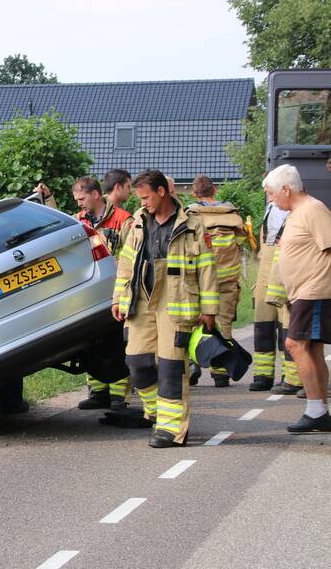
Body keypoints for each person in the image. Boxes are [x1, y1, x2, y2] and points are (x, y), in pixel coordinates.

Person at [112, 169, 218, 447]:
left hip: (176, 301)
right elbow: (126, 263)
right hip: (141, 299)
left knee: (171, 366)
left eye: (146, 197)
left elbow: (207, 269)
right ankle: (159, 413)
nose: (142, 203)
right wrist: (118, 298)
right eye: (140, 199)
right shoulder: (138, 221)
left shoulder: (193, 224)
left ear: (162, 192)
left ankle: (171, 430)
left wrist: (209, 309)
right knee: (137, 362)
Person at [262, 165, 331, 433]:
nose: (270, 199)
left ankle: (315, 411)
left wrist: (317, 283)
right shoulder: (297, 213)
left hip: (313, 291)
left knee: (295, 344)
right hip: (304, 292)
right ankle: (320, 410)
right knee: (311, 348)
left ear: (286, 189)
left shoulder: (313, 210)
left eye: (271, 193)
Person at [69, 176, 134, 410]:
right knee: (90, 343)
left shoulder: (124, 220)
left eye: (82, 198)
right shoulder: (77, 221)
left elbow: (132, 257)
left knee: (116, 343)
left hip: (116, 291)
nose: (79, 204)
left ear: (96, 194)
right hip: (89, 292)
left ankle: (118, 396)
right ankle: (97, 393)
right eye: (77, 200)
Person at [186, 175, 247, 388]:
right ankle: (221, 372)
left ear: (195, 194)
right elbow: (241, 241)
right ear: (215, 190)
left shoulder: (191, 215)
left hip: (200, 280)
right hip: (228, 279)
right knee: (225, 322)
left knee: (195, 322)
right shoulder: (232, 215)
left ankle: (193, 364)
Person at [251, 190, 299, 393]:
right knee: (263, 321)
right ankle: (263, 375)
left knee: (285, 323)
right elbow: (265, 235)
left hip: (284, 265)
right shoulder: (271, 206)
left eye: (271, 193)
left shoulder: (295, 210)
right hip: (267, 265)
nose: (268, 197)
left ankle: (292, 376)